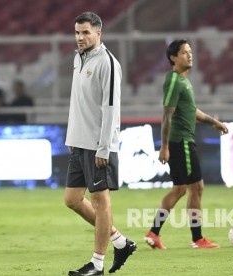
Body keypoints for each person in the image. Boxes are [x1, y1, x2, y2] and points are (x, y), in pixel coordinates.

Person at [65, 12, 136, 276]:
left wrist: (105, 147)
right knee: (72, 200)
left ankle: (97, 264)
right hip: (79, 141)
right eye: (76, 32)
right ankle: (120, 242)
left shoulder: (107, 62)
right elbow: (78, 101)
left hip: (98, 144)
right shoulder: (78, 58)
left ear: (98, 33)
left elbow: (110, 108)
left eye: (85, 32)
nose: (80, 37)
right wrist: (72, 135)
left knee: (100, 201)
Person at [144, 39, 229, 250]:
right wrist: (164, 146)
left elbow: (192, 111)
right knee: (196, 188)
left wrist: (213, 122)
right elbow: (167, 115)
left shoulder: (183, 81)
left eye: (190, 52)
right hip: (181, 142)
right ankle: (197, 238)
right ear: (173, 58)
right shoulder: (174, 81)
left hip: (180, 141)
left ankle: (154, 233)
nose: (189, 55)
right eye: (184, 52)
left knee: (180, 189)